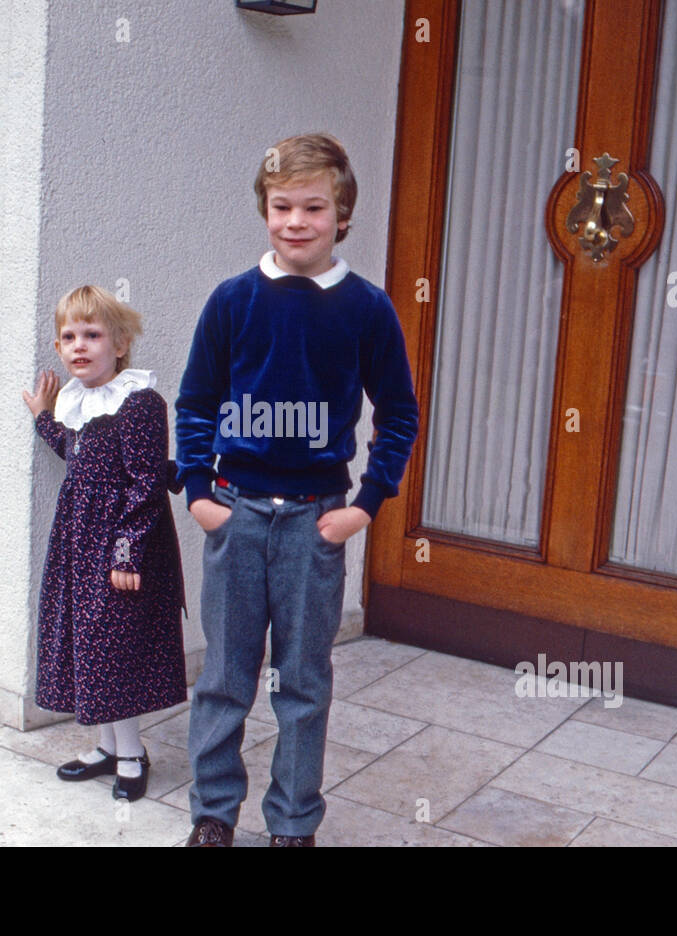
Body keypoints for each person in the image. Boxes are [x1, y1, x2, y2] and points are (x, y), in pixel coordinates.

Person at [175, 132, 420, 846]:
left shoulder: (366, 309)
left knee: (303, 682)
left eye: (313, 207)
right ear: (264, 210)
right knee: (224, 677)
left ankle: (292, 825)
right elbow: (195, 403)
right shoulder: (232, 301)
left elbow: (398, 413)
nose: (295, 221)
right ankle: (213, 816)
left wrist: (366, 506)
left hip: (316, 522)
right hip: (237, 513)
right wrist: (198, 494)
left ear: (342, 215)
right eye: (281, 206)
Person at [22, 284, 187, 803]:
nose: (79, 345)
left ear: (119, 344)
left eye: (92, 335)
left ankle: (133, 754)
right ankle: (106, 746)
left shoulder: (139, 403)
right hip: (77, 540)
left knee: (114, 651)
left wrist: (126, 552)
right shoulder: (77, 401)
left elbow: (144, 484)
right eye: (68, 336)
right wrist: (44, 418)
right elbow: (77, 455)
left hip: (119, 545)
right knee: (88, 646)